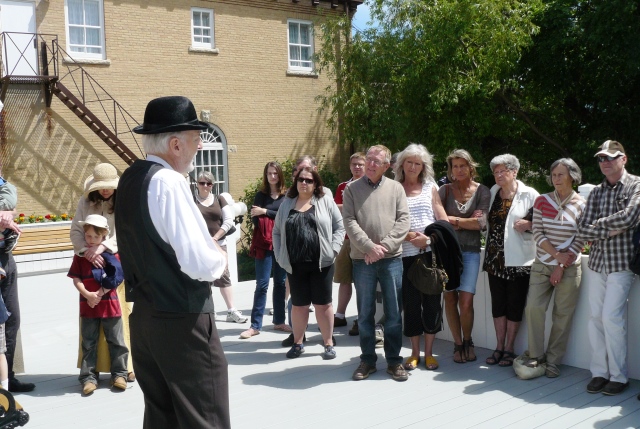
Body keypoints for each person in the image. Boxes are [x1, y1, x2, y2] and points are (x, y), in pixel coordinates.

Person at [116, 96, 229, 428]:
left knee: (162, 419)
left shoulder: (132, 177)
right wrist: (220, 256)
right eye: (196, 140)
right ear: (176, 144)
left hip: (146, 320)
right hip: (183, 320)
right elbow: (198, 263)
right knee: (205, 418)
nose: (198, 148)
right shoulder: (168, 182)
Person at [577, 140, 640, 396]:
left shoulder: (636, 184)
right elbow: (581, 227)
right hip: (597, 263)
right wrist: (611, 230)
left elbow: (630, 216)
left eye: (610, 158)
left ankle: (618, 376)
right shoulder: (597, 191)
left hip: (622, 263)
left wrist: (598, 227)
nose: (605, 162)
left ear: (623, 159)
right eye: (601, 158)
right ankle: (599, 372)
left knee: (611, 319)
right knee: (595, 319)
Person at [343, 144, 411, 381]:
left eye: (376, 161)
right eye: (368, 159)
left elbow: (404, 221)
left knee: (393, 313)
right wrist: (370, 247)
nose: (370, 164)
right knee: (365, 314)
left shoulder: (396, 189)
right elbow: (349, 222)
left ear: (386, 166)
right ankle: (368, 360)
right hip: (363, 260)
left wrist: (383, 247)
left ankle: (394, 361)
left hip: (391, 259)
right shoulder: (352, 189)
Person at [70, 163, 135, 383]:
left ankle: (125, 367)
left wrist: (103, 247)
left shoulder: (125, 200)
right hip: (88, 265)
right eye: (102, 187)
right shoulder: (85, 201)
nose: (106, 190)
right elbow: (77, 231)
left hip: (115, 264)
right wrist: (86, 251)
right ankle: (91, 370)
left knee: (119, 319)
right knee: (91, 321)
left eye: (109, 186)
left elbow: (127, 230)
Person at [273, 167, 344, 359]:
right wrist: (280, 256)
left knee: (323, 305)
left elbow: (340, 227)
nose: (304, 183)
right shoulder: (287, 204)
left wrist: (334, 249)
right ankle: (298, 343)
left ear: (316, 184)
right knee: (299, 305)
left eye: (309, 180)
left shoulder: (325, 201)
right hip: (295, 264)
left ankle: (328, 343)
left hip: (322, 263)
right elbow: (277, 231)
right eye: (301, 179)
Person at [524, 158, 586, 378]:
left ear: (572, 176)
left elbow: (581, 238)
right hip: (542, 264)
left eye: (561, 174)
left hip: (569, 267)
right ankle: (535, 356)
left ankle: (552, 361)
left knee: (563, 315)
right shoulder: (542, 201)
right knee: (534, 308)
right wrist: (556, 256)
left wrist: (561, 264)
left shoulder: (582, 203)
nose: (556, 179)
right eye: (553, 175)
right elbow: (538, 233)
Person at [394, 144, 448, 371]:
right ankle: (414, 353)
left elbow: (442, 218)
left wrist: (428, 239)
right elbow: (388, 221)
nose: (413, 166)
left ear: (423, 166)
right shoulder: (394, 188)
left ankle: (429, 353)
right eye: (409, 162)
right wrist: (406, 236)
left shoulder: (430, 187)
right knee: (411, 306)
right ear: (402, 164)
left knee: (432, 306)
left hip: (430, 256)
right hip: (404, 257)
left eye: (418, 163)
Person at [483, 154, 539, 367]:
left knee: (514, 305)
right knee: (498, 305)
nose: (498, 175)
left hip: (519, 260)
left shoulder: (530, 194)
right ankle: (498, 346)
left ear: (514, 172)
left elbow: (543, 222)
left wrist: (529, 224)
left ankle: (509, 349)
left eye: (503, 171)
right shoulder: (493, 192)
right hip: (494, 259)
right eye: (495, 172)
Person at [438, 149, 490, 363]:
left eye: (462, 165)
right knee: (450, 299)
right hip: (446, 252)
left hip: (469, 252)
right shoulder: (444, 191)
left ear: (471, 167)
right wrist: (463, 222)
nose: (458, 170)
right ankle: (458, 344)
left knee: (466, 301)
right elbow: (438, 221)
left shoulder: (482, 191)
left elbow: (481, 224)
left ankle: (468, 341)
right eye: (454, 166)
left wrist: (453, 221)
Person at [68, 215, 128, 395]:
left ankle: (119, 374)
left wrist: (99, 293)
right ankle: (88, 377)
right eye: (88, 236)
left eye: (96, 237)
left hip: (110, 305)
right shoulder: (80, 256)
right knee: (88, 343)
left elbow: (117, 278)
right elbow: (76, 278)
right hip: (88, 306)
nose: (91, 240)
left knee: (116, 341)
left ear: (103, 237)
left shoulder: (111, 255)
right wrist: (87, 294)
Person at [241, 162, 289, 339]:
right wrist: (267, 215)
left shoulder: (287, 195)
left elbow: (287, 216)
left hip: (282, 244)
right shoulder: (260, 195)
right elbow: (255, 219)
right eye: (269, 173)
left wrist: (266, 212)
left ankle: (279, 321)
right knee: (262, 285)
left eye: (275, 173)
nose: (273, 177)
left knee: (280, 284)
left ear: (280, 175)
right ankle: (255, 325)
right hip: (264, 244)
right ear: (265, 175)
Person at [194, 170, 247, 324]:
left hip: (219, 244)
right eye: (202, 183)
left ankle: (231, 310)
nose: (205, 186)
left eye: (208, 183)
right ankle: (207, 311)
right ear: (197, 184)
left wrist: (215, 238)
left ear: (213, 185)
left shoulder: (219, 199)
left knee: (224, 276)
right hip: (199, 246)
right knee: (203, 278)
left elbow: (229, 220)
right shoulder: (191, 200)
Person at [0, 176, 32, 393]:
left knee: (12, 318)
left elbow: (9, 195)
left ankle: (7, 377)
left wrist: (7, 215)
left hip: (5, 258)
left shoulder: (3, 185)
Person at [333, 152, 365, 334]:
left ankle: (362, 318)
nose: (357, 167)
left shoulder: (369, 185)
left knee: (362, 281)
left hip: (363, 239)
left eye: (360, 164)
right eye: (354, 164)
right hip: (345, 238)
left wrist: (347, 208)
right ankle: (339, 315)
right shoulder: (343, 186)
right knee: (344, 278)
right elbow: (336, 209)